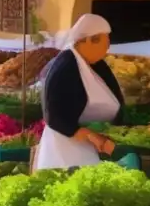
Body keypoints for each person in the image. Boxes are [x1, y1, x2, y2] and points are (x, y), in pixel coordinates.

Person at [36, 14, 124, 170]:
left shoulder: (99, 65)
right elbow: (53, 115)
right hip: (65, 147)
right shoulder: (64, 66)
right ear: (89, 41)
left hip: (97, 146)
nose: (108, 47)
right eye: (105, 42)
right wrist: (88, 135)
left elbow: (116, 97)